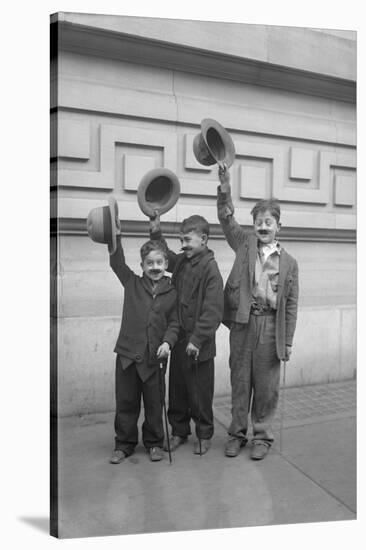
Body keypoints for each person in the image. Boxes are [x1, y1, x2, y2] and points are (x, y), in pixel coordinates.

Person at [217, 163, 299, 460]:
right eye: (258, 222)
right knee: (240, 380)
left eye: (268, 222)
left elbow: (291, 305)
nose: (263, 227)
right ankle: (237, 433)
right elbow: (226, 219)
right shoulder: (244, 244)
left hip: (269, 327)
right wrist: (225, 186)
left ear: (279, 226)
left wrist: (287, 340)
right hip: (242, 323)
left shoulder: (289, 263)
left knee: (265, 386)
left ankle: (262, 436)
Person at [150, 214, 224, 455]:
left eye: (187, 239)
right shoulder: (182, 260)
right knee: (178, 390)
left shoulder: (211, 270)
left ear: (203, 239)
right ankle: (179, 431)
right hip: (179, 341)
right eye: (181, 239)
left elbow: (213, 312)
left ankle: (204, 435)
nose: (183, 244)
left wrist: (197, 340)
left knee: (200, 393)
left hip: (199, 346)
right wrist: (156, 232)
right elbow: (167, 257)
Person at [109, 225, 179, 464]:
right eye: (150, 263)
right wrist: (114, 234)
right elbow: (116, 263)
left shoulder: (172, 293)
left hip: (154, 359)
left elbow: (174, 324)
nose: (155, 267)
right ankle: (124, 444)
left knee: (153, 403)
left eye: (159, 262)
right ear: (142, 266)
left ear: (166, 264)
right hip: (127, 356)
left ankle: (154, 443)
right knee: (126, 402)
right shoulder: (131, 283)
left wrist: (168, 343)